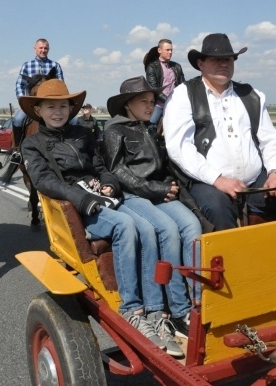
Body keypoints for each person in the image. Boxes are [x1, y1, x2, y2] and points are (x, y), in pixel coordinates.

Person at [19, 79, 182, 356]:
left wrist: (109, 183)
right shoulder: (33, 144)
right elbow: (44, 181)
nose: (57, 112)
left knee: (148, 227)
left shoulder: (82, 133)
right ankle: (132, 308)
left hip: (102, 196)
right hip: (79, 206)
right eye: (51, 107)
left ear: (71, 109)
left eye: (62, 106)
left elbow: (100, 166)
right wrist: (82, 199)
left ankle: (156, 311)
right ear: (38, 109)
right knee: (127, 226)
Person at [163, 33, 276, 231]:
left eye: (228, 59)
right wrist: (218, 180)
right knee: (218, 208)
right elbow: (180, 148)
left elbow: (269, 139)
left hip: (256, 180)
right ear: (201, 63)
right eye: (216, 59)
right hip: (207, 183)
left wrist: (274, 173)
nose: (223, 64)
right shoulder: (183, 95)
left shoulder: (251, 95)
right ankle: (231, 262)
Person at [104, 76, 202, 353]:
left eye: (152, 102)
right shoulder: (115, 130)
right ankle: (174, 307)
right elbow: (117, 170)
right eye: (143, 102)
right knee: (167, 231)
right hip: (134, 195)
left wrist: (171, 187)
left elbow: (162, 166)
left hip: (158, 192)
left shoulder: (148, 128)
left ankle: (197, 303)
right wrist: (154, 189)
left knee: (192, 228)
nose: (150, 106)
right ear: (127, 104)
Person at [12, 38, 64, 148]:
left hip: (52, 104)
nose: (43, 50)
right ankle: (17, 151)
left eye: (45, 48)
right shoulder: (27, 65)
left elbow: (61, 86)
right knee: (17, 120)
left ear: (48, 49)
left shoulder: (56, 66)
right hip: (31, 105)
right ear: (35, 49)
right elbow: (19, 85)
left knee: (74, 121)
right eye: (41, 48)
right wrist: (23, 103)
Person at [144, 39, 185, 129]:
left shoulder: (177, 66)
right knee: (150, 126)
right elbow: (154, 89)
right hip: (159, 105)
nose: (170, 52)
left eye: (171, 50)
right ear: (159, 50)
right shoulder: (152, 67)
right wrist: (168, 100)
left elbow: (183, 86)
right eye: (167, 50)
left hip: (175, 104)